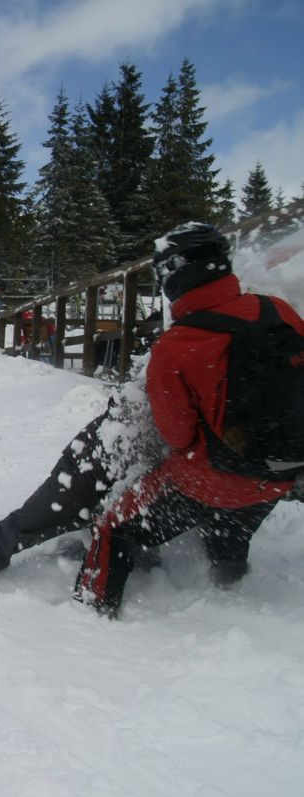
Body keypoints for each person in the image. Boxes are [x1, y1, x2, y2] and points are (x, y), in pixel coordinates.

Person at [75, 223, 304, 617]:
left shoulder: (177, 345)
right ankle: (229, 575)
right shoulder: (278, 311)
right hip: (282, 474)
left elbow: (177, 435)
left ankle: (91, 613)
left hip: (209, 482)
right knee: (232, 527)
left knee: (112, 528)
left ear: (174, 276)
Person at [0, 378, 165, 583]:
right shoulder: (179, 353)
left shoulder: (186, 350)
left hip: (115, 468)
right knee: (23, 527)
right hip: (87, 468)